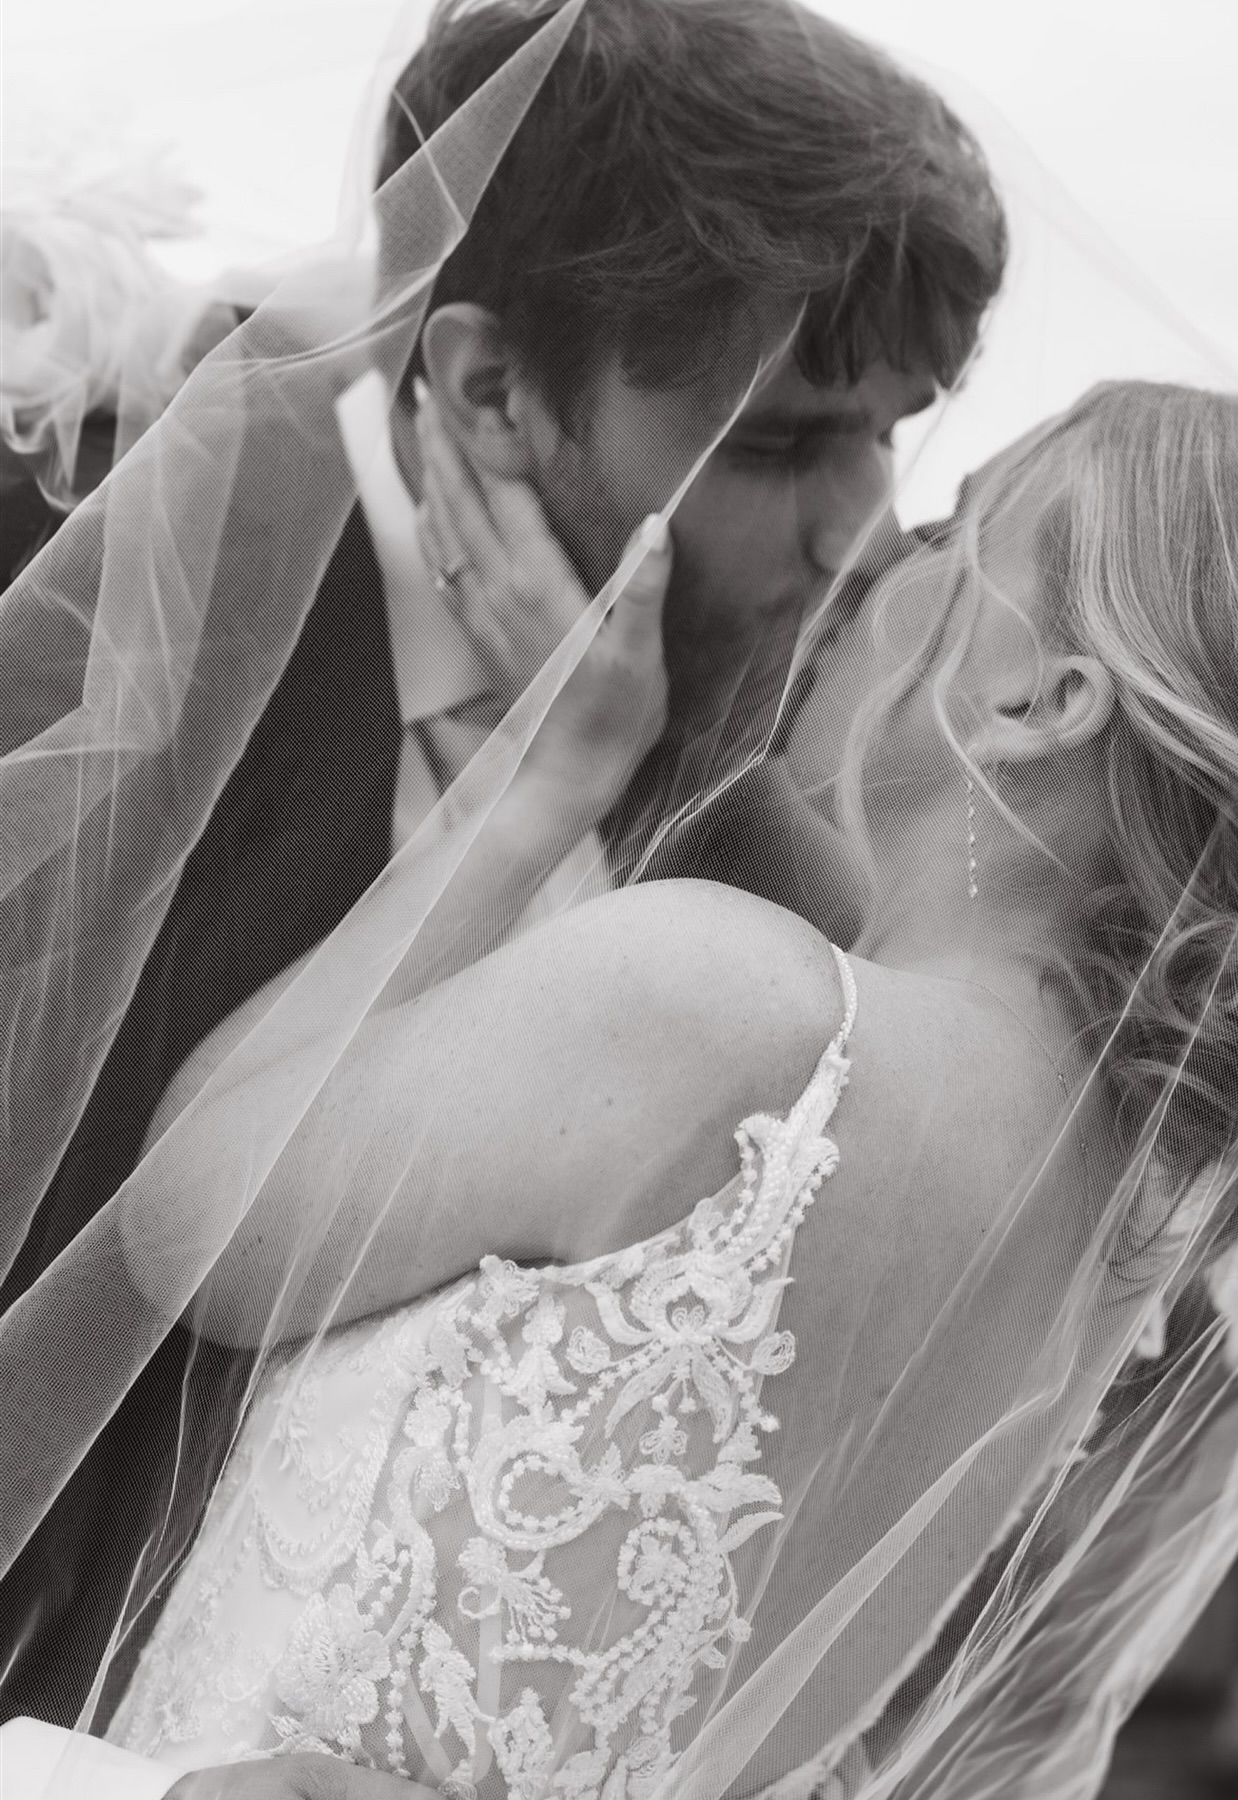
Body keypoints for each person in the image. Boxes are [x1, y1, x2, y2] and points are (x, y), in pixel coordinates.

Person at [78, 380, 1238, 1795]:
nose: (880, 556)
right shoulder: (1109, 1237)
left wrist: (530, 792)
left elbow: (191, 1224)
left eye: (954, 534)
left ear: (1043, 698)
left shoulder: (736, 1011)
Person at [0, 0, 1005, 1747]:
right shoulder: (75, 558)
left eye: (891, 433)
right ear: (484, 386)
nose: (862, 528)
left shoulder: (783, 877)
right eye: (776, 445)